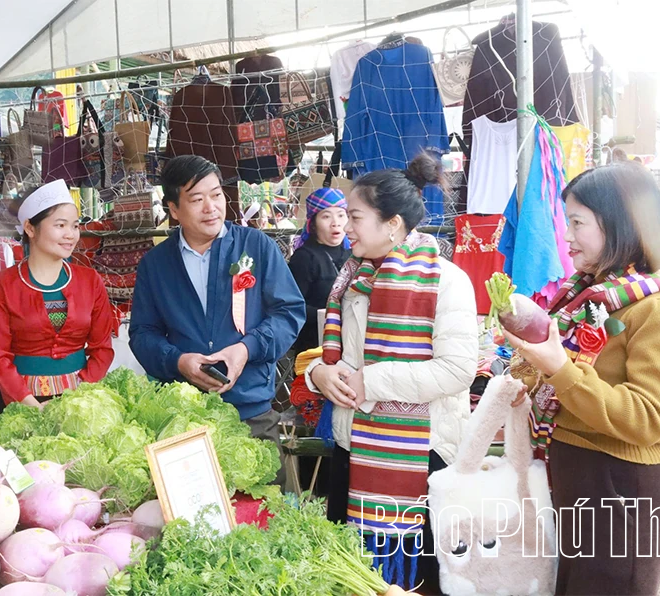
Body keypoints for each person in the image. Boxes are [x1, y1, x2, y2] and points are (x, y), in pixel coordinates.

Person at [505, 163, 660, 595]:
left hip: (622, 491)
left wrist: (559, 369)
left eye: (577, 223)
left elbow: (647, 418)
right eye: (567, 222)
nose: (568, 236)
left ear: (618, 224)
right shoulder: (584, 295)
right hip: (580, 476)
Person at [303, 154, 478, 591]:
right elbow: (333, 357)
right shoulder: (351, 278)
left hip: (423, 454)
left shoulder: (446, 280)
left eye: (355, 216)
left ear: (393, 224)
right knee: (355, 572)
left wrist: (372, 382)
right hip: (353, 444)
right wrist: (318, 377)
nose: (346, 226)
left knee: (420, 579)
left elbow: (457, 369)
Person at [129, 155, 305, 450]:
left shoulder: (256, 246)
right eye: (197, 199)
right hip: (184, 416)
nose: (211, 208)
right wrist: (178, 361)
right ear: (173, 209)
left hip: (251, 410)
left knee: (263, 492)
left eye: (216, 195)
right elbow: (143, 333)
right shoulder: (155, 264)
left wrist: (245, 349)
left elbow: (289, 313)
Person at [0, 180, 115, 415]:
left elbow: (102, 349)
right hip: (20, 405)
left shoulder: (90, 281)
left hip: (79, 405)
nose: (70, 235)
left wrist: (75, 399)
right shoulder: (1, 285)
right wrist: (33, 407)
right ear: (30, 228)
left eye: (74, 226)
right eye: (60, 225)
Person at [288, 187, 352, 354]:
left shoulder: (355, 253)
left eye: (341, 215)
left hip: (351, 343)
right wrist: (329, 316)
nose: (335, 222)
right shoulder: (304, 258)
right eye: (326, 216)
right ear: (313, 223)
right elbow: (293, 306)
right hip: (315, 345)